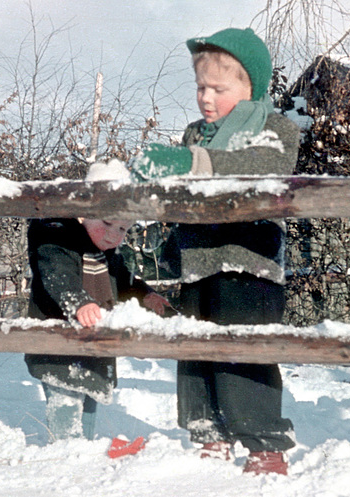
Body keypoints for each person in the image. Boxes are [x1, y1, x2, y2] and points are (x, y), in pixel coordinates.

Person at [130, 27, 300, 475]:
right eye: (200, 87)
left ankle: (264, 443)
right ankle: (208, 433)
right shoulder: (195, 134)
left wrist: (191, 164)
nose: (206, 98)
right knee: (196, 352)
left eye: (218, 89)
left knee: (243, 351)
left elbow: (264, 168)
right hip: (196, 264)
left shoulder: (273, 129)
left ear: (250, 88)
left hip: (249, 265)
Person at [24, 160, 170, 442]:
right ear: (84, 212)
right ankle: (66, 451)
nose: (114, 234)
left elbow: (124, 280)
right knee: (65, 400)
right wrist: (78, 302)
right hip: (59, 344)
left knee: (90, 397)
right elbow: (57, 273)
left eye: (123, 229)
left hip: (94, 347)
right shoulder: (57, 234)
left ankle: (84, 450)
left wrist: (145, 295)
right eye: (107, 223)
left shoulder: (107, 254)